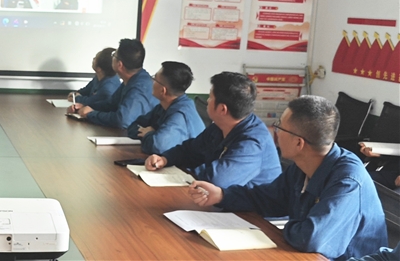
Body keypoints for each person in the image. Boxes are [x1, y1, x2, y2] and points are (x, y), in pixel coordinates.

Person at [190, 96, 387, 261]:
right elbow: (268, 198)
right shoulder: (303, 166)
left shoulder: (348, 181)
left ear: (299, 143)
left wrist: (286, 226)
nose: (275, 133)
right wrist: (222, 195)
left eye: (279, 127)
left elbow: (311, 238)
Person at [145, 71, 281, 187]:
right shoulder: (220, 126)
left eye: (210, 97)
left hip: (251, 210)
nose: (207, 101)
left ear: (222, 109)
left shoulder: (252, 142)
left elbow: (218, 181)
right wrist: (165, 159)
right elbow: (191, 150)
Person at [71, 38, 157, 129]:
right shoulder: (132, 80)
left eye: (114, 55)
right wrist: (87, 107)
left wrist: (90, 114)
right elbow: (111, 104)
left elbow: (122, 120)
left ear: (119, 65)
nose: (112, 58)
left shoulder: (139, 88)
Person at [127, 61, 204, 154]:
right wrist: (154, 135)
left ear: (163, 91)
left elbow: (158, 146)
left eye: (154, 79)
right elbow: (133, 127)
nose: (152, 82)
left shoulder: (180, 114)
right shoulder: (163, 106)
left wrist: (149, 134)